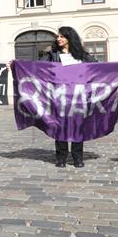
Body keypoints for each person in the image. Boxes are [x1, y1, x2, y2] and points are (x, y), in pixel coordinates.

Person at [41, 26, 97, 168]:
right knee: (60, 127)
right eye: (58, 36)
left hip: (78, 97)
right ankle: (61, 158)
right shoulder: (52, 54)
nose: (58, 39)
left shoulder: (82, 55)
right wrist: (17, 65)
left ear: (69, 38)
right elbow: (39, 67)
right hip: (59, 97)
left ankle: (78, 157)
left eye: (62, 36)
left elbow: (97, 67)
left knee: (78, 127)